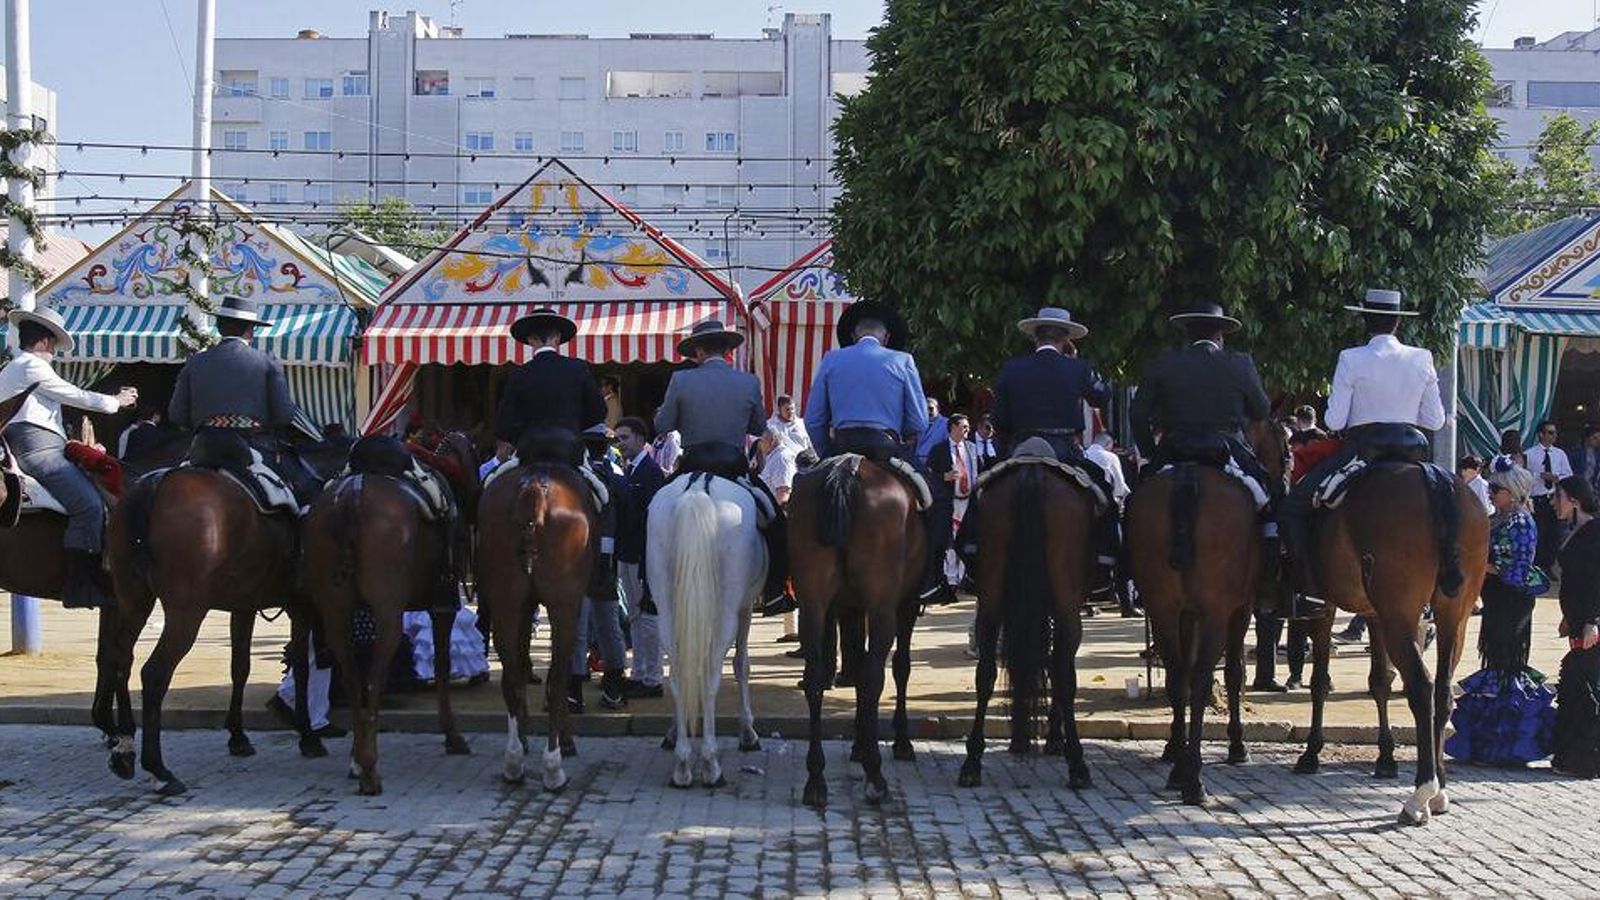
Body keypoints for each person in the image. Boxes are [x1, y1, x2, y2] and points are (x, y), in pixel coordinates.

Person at [1279, 289, 1446, 620]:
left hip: (1363, 450)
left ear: (1366, 321)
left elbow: (1335, 420)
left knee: (1294, 506)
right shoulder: (1422, 357)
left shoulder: (1351, 357)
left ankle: (1307, 589)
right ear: (1399, 322)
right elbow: (1435, 420)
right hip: (1411, 452)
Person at [1130, 300, 1276, 608]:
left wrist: (1150, 453)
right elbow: (1262, 409)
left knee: (1134, 505)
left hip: (1174, 449)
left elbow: (1138, 413)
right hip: (1228, 449)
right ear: (1221, 333)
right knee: (1272, 503)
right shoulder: (1239, 363)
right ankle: (1272, 580)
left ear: (1187, 333)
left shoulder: (1166, 363)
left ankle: (1126, 571)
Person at [0, 307, 137, 608]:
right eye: (54, 348)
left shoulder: (12, 367)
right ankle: (81, 584)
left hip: (32, 446)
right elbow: (75, 395)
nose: (54, 354)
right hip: (40, 451)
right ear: (45, 343)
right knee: (89, 505)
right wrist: (116, 401)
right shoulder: (31, 366)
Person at [655, 318, 791, 615]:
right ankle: (774, 592)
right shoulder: (748, 382)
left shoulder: (681, 380)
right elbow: (757, 426)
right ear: (727, 351)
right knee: (777, 524)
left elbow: (663, 425)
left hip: (692, 465)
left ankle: (651, 592)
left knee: (651, 513)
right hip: (733, 469)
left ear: (699, 352)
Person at [802, 299, 935, 600]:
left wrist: (828, 454)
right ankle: (930, 579)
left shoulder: (831, 359)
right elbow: (918, 420)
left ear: (853, 335)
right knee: (933, 499)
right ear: (886, 337)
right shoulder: (903, 361)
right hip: (886, 448)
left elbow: (814, 419)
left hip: (841, 446)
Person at [1445, 459, 1555, 767]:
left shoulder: (1520, 523)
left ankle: (1509, 746)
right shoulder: (1497, 519)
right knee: (1496, 661)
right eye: (1491, 488)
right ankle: (1489, 744)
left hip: (1512, 602)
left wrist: (1478, 565)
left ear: (1515, 493)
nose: (1491, 493)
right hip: (1496, 600)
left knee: (1507, 665)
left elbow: (1515, 571)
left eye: (1497, 489)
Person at [169, 294, 325, 507]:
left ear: (220, 327)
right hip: (252, 447)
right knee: (306, 491)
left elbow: (176, 413)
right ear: (250, 330)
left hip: (203, 449)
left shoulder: (195, 362)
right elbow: (284, 415)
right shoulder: (265, 362)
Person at [613, 418, 666, 699]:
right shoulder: (631, 469)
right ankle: (640, 673)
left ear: (641, 439)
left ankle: (653, 677)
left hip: (644, 555)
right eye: (618, 439)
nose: (619, 444)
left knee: (647, 616)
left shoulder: (651, 472)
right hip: (629, 552)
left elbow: (651, 519)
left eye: (624, 438)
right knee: (635, 616)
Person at [1553, 475, 1600, 777]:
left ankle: (1587, 760)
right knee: (1575, 684)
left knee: (1587, 688)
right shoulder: (1576, 531)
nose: (1554, 503)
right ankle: (1570, 757)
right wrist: (1568, 616)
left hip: (1591, 625)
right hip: (1577, 622)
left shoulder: (1596, 531)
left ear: (1574, 500)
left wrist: (1595, 621)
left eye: (1558, 497)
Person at [926, 413, 978, 591]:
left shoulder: (971, 448)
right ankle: (948, 580)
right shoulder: (938, 450)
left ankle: (967, 577)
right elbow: (929, 475)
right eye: (964, 427)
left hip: (968, 502)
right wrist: (944, 477)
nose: (967, 430)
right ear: (953, 427)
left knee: (968, 542)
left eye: (968, 427)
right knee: (946, 542)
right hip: (947, 502)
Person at [1527, 420, 1573, 571]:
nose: (1554, 436)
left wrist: (1556, 478)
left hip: (1555, 498)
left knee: (1554, 535)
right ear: (1542, 434)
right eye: (1550, 432)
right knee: (1540, 534)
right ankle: (1537, 565)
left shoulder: (1560, 454)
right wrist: (1539, 476)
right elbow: (1525, 478)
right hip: (1538, 499)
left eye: (1554, 433)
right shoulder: (1530, 454)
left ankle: (1548, 565)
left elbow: (1569, 475)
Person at [767, 394, 813, 462]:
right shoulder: (770, 426)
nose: (791, 412)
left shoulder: (803, 424)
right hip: (780, 465)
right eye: (787, 409)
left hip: (802, 464)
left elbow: (811, 445)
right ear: (779, 409)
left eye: (792, 409)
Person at [913, 396, 948, 468]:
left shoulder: (946, 423)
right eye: (925, 409)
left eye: (930, 409)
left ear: (938, 409)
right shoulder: (920, 423)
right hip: (917, 463)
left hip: (935, 464)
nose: (928, 412)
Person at [1575, 424, 1600, 500]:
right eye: (1594, 438)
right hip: (1579, 487)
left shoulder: (1597, 454)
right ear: (1587, 438)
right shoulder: (1576, 453)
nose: (1598, 441)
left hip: (1592, 488)